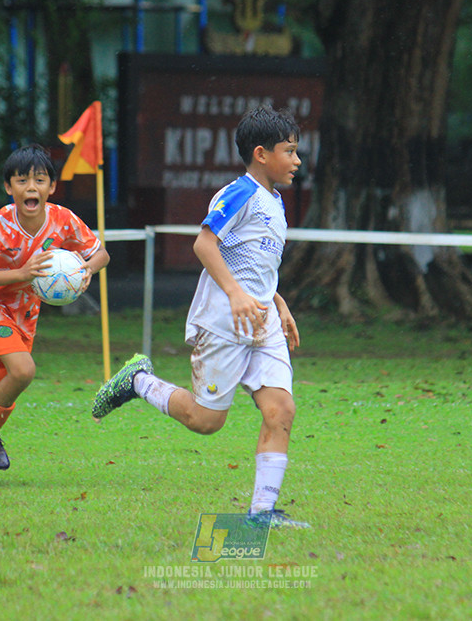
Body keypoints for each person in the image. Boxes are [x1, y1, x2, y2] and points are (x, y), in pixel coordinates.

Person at [92, 106, 309, 529]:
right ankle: (138, 381)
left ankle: (261, 515)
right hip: (225, 323)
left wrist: (278, 303)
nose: (297, 160)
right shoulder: (240, 193)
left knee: (281, 409)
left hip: (262, 323)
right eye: (290, 151)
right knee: (206, 421)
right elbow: (205, 244)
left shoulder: (275, 202)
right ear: (261, 154)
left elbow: (254, 267)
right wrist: (235, 294)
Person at [0, 144, 109, 482]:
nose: (31, 187)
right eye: (22, 180)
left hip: (24, 316)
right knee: (24, 371)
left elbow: (101, 254)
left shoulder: (63, 220)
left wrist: (86, 269)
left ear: (51, 187)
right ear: (8, 187)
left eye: (39, 180)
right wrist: (21, 274)